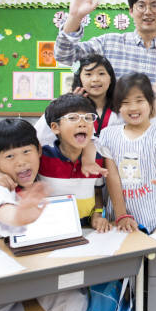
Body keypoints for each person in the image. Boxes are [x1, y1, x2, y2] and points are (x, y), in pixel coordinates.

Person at [0, 119, 88, 311]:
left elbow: (52, 127)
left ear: (39, 150)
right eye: (9, 156)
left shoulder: (46, 177)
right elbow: (0, 209)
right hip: (2, 278)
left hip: (43, 271)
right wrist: (18, 216)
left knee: (74, 303)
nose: (21, 162)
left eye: (26, 152)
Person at [54, 0, 156, 82]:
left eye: (154, 5)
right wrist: (74, 17)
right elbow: (65, 56)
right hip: (114, 119)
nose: (148, 12)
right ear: (131, 10)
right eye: (141, 5)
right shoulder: (108, 43)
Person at [99, 73, 156, 233]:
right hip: (117, 220)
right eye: (125, 102)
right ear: (118, 107)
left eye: (139, 100)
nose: (133, 108)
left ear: (151, 103)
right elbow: (112, 178)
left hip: (152, 221)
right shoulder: (108, 135)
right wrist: (122, 215)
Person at [37, 94, 110, 230]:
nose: (82, 123)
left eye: (88, 118)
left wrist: (97, 215)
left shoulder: (96, 159)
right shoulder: (43, 157)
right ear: (55, 127)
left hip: (86, 227)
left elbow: (98, 191)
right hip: (51, 228)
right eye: (73, 118)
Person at [35, 54, 120, 146]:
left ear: (110, 78)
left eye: (101, 73)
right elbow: (40, 136)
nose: (95, 79)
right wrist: (68, 105)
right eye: (88, 74)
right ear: (79, 79)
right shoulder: (63, 106)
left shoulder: (121, 107)